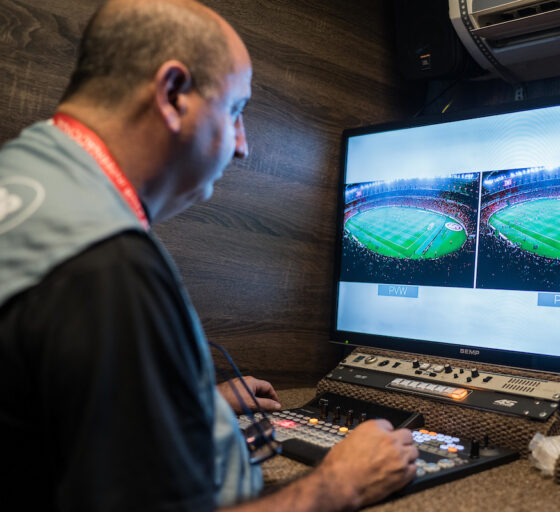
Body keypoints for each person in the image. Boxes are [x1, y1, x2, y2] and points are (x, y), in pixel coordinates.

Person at [0, 0, 417, 510]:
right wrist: (340, 485)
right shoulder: (105, 267)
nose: (242, 146)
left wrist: (183, 406)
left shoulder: (26, 180)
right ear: (173, 93)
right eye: (236, 111)